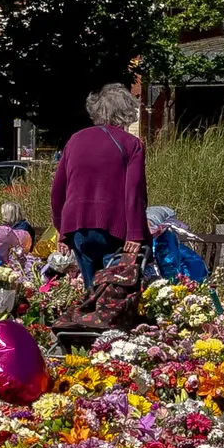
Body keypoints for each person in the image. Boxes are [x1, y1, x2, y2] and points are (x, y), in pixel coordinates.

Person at [48, 83, 149, 294]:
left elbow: (58, 189)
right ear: (126, 112)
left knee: (90, 290)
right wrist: (135, 234)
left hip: (76, 226)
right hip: (113, 227)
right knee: (113, 292)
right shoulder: (132, 144)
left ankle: (87, 321)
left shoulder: (75, 140)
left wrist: (61, 229)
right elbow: (134, 194)